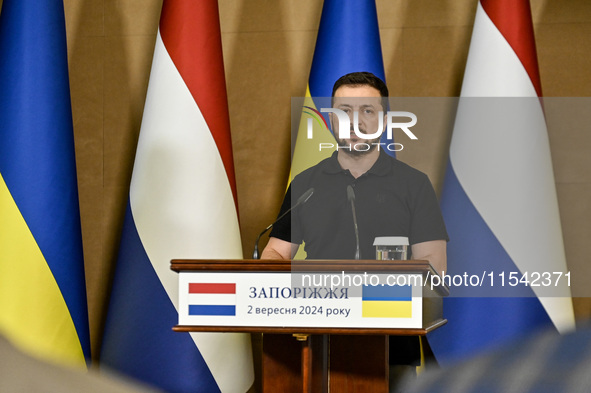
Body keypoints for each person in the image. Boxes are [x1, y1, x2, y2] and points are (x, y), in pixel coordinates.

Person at [261, 71, 448, 274]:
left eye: (367, 111)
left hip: (389, 302)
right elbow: (275, 252)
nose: (354, 122)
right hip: (318, 302)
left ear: (385, 122)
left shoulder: (414, 184)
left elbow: (434, 262)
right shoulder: (305, 184)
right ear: (332, 119)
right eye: (345, 111)